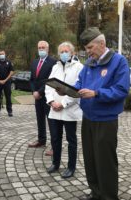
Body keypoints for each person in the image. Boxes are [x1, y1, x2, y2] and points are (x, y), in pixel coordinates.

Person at [74, 27, 130, 200]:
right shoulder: (89, 64)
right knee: (90, 159)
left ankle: (108, 196)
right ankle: (96, 193)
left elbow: (121, 90)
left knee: (105, 161)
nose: (88, 52)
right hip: (88, 118)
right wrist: (67, 90)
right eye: (86, 48)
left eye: (90, 47)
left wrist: (97, 93)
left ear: (102, 43)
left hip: (106, 120)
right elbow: (79, 83)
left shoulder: (119, 61)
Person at [45, 41, 83, 178]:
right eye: (61, 51)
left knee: (71, 139)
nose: (64, 54)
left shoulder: (79, 67)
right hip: (54, 110)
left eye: (66, 51)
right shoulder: (55, 67)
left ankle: (71, 167)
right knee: (55, 138)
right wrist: (51, 101)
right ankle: (55, 164)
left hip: (69, 110)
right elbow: (48, 86)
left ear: (72, 53)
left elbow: (77, 90)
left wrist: (63, 104)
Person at [28, 41, 56, 151]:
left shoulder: (53, 62)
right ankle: (41, 140)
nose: (41, 49)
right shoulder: (35, 62)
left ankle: (55, 146)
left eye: (43, 47)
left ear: (48, 49)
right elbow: (31, 80)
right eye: (39, 47)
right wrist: (34, 91)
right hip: (37, 97)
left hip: (48, 97)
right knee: (40, 119)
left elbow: (50, 80)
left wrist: (40, 92)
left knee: (52, 121)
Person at [0, 50, 14, 117]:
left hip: (7, 82)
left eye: (3, 54)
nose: (2, 55)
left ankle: (9, 111)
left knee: (8, 97)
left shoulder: (9, 62)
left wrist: (5, 80)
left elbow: (12, 71)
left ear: (5, 54)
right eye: (0, 54)